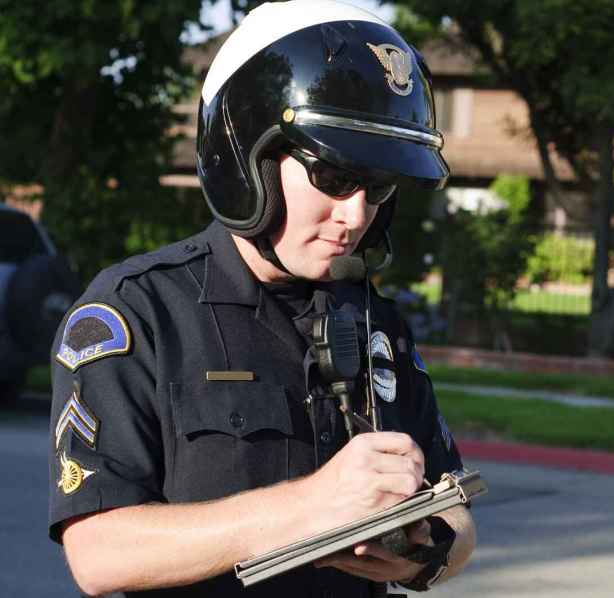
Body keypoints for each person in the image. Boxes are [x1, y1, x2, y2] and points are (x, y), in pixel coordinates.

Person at [47, 2, 476, 596]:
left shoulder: (374, 317)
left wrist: (423, 555)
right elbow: (98, 553)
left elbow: (456, 511)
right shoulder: (135, 313)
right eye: (331, 177)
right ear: (248, 160)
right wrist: (312, 504)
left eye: (377, 187)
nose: (353, 216)